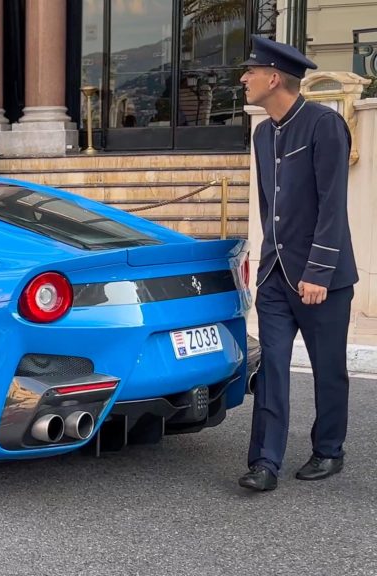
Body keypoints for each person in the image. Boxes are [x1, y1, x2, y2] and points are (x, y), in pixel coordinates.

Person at [237, 35, 357, 492]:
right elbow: (270, 207)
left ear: (273, 77)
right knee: (271, 367)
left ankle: (329, 450)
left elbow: (333, 205)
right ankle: (265, 462)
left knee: (329, 369)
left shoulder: (324, 125)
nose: (244, 79)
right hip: (275, 275)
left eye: (250, 71)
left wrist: (318, 272)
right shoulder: (262, 133)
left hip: (321, 277)